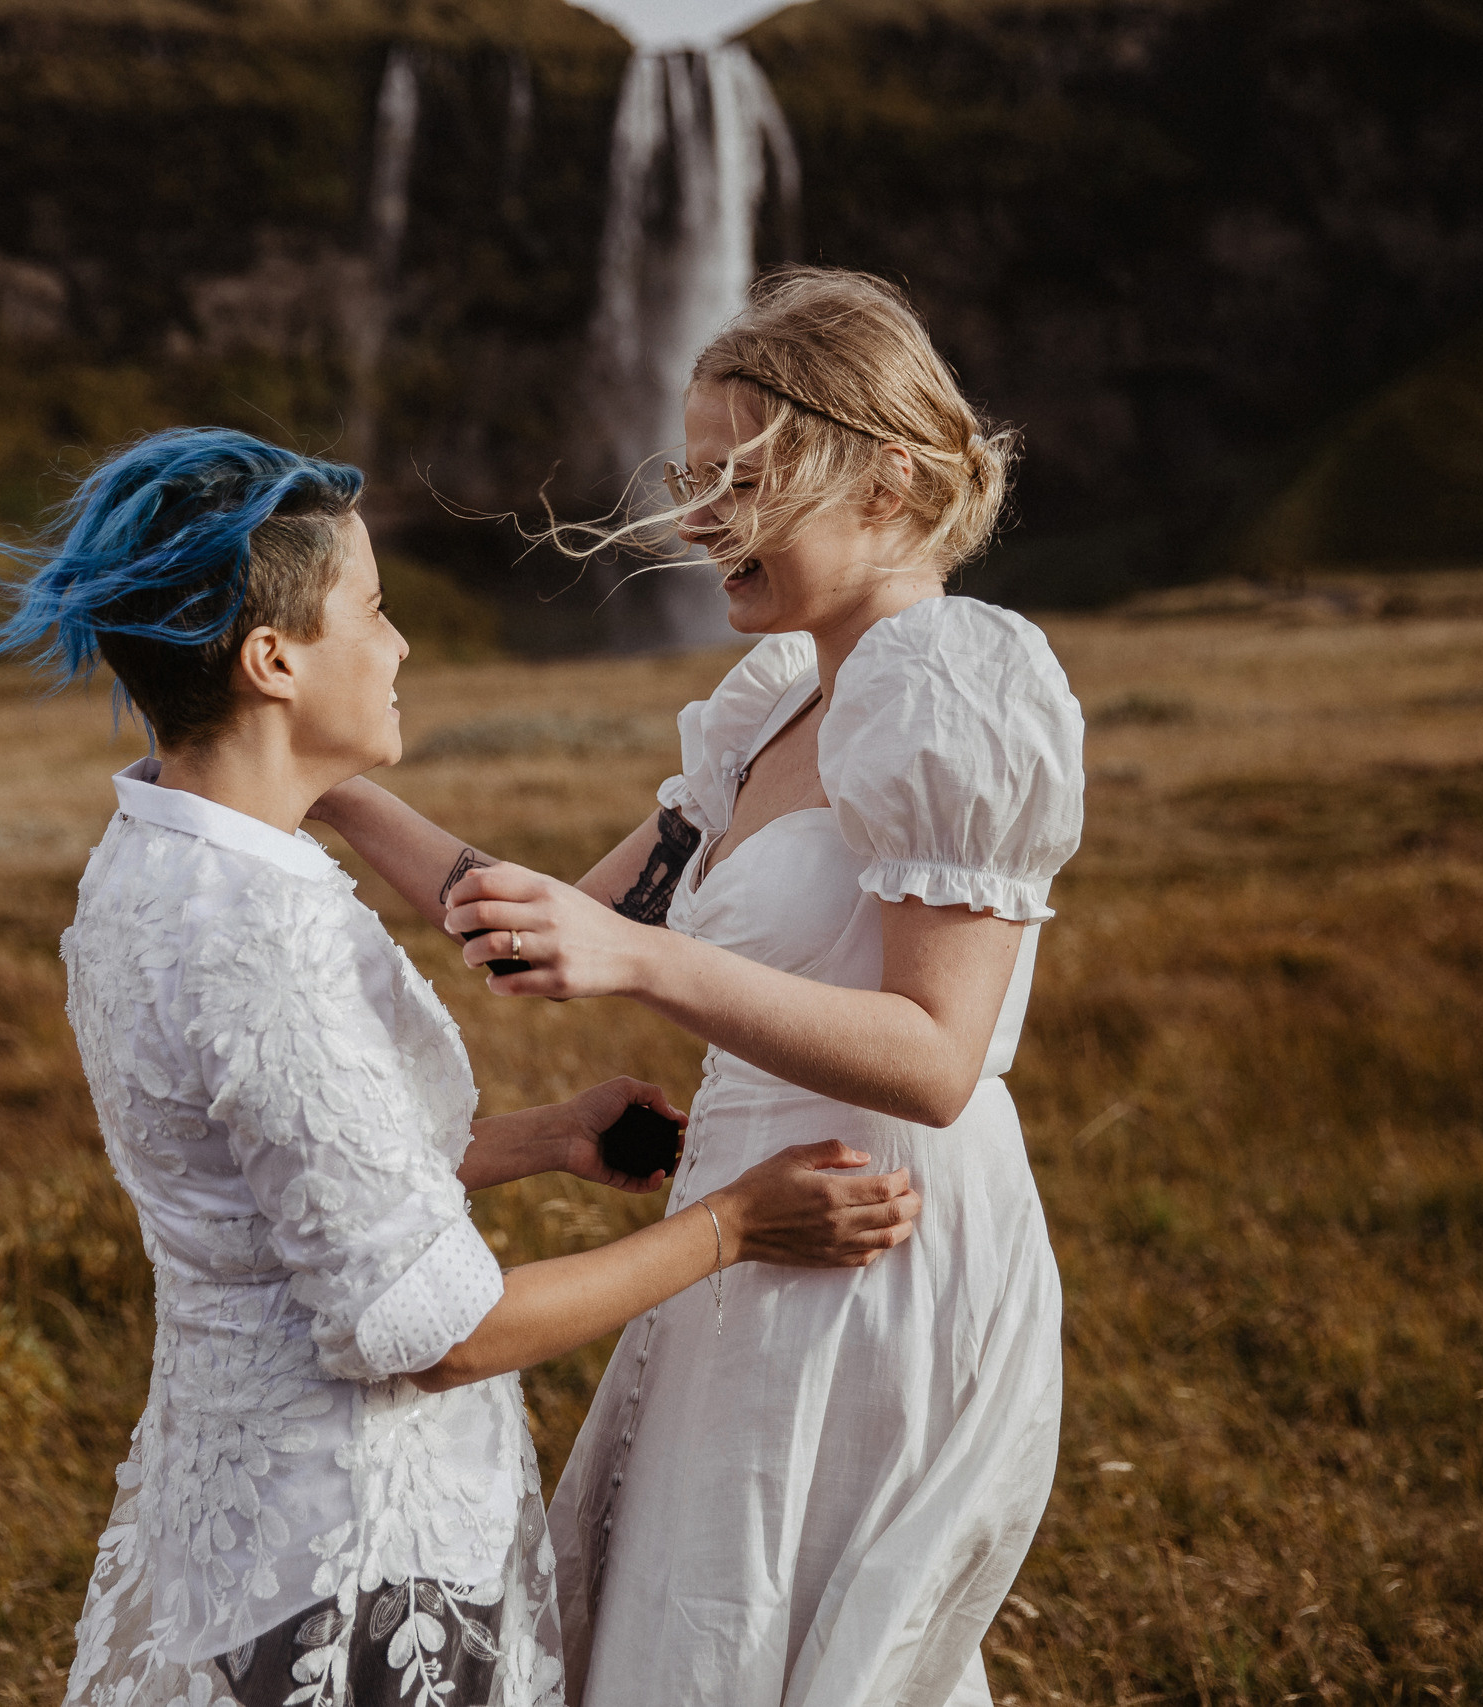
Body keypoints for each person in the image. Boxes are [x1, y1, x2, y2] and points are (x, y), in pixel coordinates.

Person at [0, 426, 926, 1707]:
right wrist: (737, 1226)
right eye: (371, 611)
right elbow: (435, 1333)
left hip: (248, 1524)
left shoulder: (151, 865)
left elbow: (295, 1188)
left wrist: (539, 1139)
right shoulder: (257, 934)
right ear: (271, 661)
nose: (401, 644)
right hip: (358, 1555)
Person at [309, 269, 1086, 1707]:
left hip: (879, 1230)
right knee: (699, 1618)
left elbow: (938, 1054)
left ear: (889, 480)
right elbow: (534, 928)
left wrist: (647, 960)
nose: (697, 516)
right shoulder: (770, 701)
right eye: (689, 477)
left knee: (788, 1641)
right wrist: (313, 777)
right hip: (747, 1210)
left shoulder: (954, 684)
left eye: (745, 478)